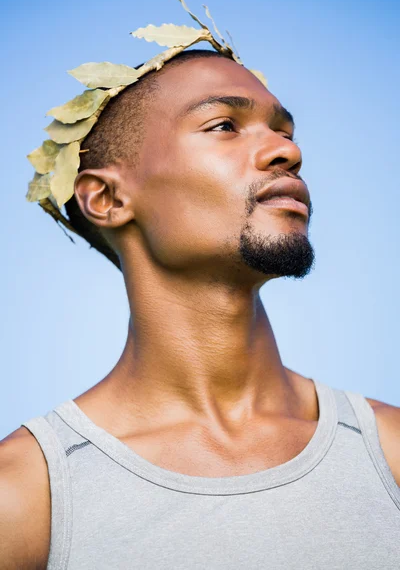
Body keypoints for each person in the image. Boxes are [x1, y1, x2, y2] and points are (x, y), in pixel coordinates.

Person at [1, 48, 399, 570]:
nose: (285, 152)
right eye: (224, 125)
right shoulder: (27, 496)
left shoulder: (389, 453)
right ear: (106, 199)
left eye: (285, 131)